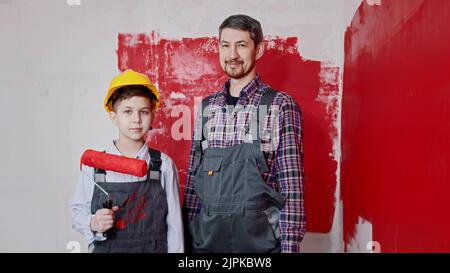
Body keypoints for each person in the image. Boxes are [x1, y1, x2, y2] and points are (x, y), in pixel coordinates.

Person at [183, 14, 306, 253]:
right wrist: (186, 244)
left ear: (258, 50)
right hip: (207, 247)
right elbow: (192, 184)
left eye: (241, 45)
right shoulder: (207, 108)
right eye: (225, 45)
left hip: (261, 249)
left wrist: (290, 249)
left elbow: (292, 189)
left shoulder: (279, 105)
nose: (232, 55)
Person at [70, 69, 184, 253]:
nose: (136, 120)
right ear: (113, 116)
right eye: (128, 111)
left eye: (144, 112)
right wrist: (93, 223)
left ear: (153, 115)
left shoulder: (163, 165)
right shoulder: (95, 166)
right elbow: (77, 212)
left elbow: (175, 227)